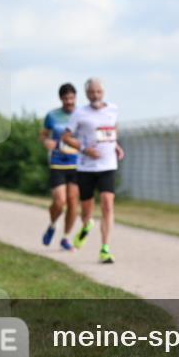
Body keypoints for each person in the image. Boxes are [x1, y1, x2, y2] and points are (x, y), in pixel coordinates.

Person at [60, 78, 123, 264]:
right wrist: (84, 149)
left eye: (99, 92)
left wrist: (116, 145)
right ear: (86, 94)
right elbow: (66, 137)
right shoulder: (80, 113)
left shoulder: (113, 109)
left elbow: (112, 129)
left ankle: (105, 248)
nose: (96, 96)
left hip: (108, 165)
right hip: (86, 167)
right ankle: (87, 225)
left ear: (103, 92)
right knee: (87, 210)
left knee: (107, 204)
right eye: (92, 93)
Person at [40, 84, 80, 252]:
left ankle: (65, 238)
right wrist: (46, 141)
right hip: (57, 163)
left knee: (72, 202)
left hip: (77, 164)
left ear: (76, 97)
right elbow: (43, 135)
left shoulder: (82, 115)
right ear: (61, 99)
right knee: (59, 201)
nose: (69, 101)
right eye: (66, 98)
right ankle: (52, 224)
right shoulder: (52, 116)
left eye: (72, 98)